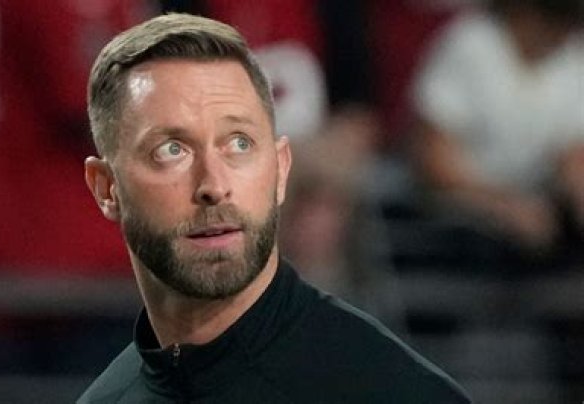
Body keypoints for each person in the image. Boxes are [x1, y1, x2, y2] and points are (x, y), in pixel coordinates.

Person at [79, 13, 471, 403]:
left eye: (239, 143)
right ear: (106, 188)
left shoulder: (397, 393)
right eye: (171, 150)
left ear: (281, 169)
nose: (214, 186)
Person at [411, 0, 584, 268]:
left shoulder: (572, 57)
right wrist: (503, 205)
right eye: (557, 18)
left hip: (536, 219)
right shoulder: (469, 44)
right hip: (454, 219)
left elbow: (572, 152)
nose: (565, 32)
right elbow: (435, 161)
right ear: (526, 11)